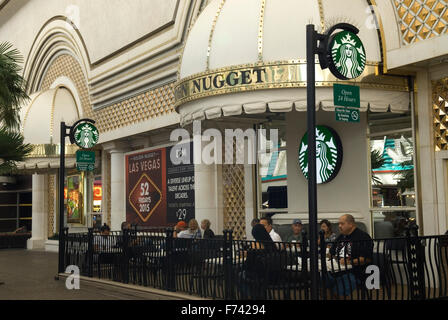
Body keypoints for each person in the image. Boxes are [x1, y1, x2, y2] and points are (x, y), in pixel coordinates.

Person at [326, 214, 374, 299]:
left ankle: (338, 293)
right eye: (339, 224)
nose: (339, 226)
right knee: (322, 279)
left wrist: (349, 262)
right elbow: (331, 253)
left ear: (351, 224)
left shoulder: (362, 237)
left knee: (340, 290)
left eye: (342, 223)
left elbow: (367, 259)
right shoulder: (341, 236)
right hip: (336, 270)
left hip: (355, 272)